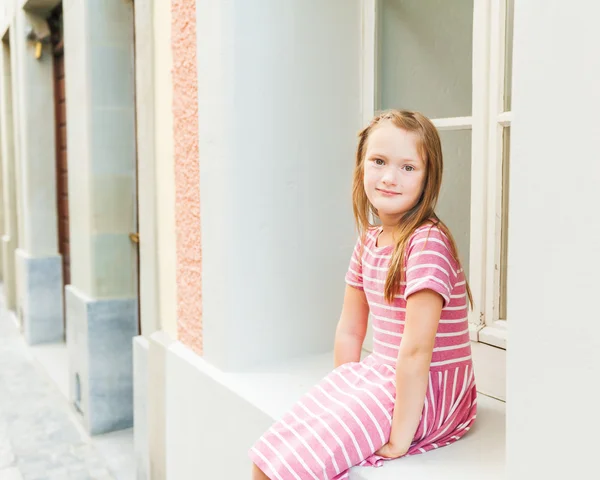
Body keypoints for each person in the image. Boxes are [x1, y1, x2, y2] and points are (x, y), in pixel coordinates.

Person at [249, 110, 477, 480]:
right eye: (379, 161)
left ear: (428, 178)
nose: (389, 177)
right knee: (266, 458)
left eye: (408, 167)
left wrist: (401, 436)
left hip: (428, 392)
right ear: (361, 167)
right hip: (381, 375)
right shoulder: (369, 241)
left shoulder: (427, 244)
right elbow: (351, 329)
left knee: (292, 470)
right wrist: (341, 392)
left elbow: (417, 350)